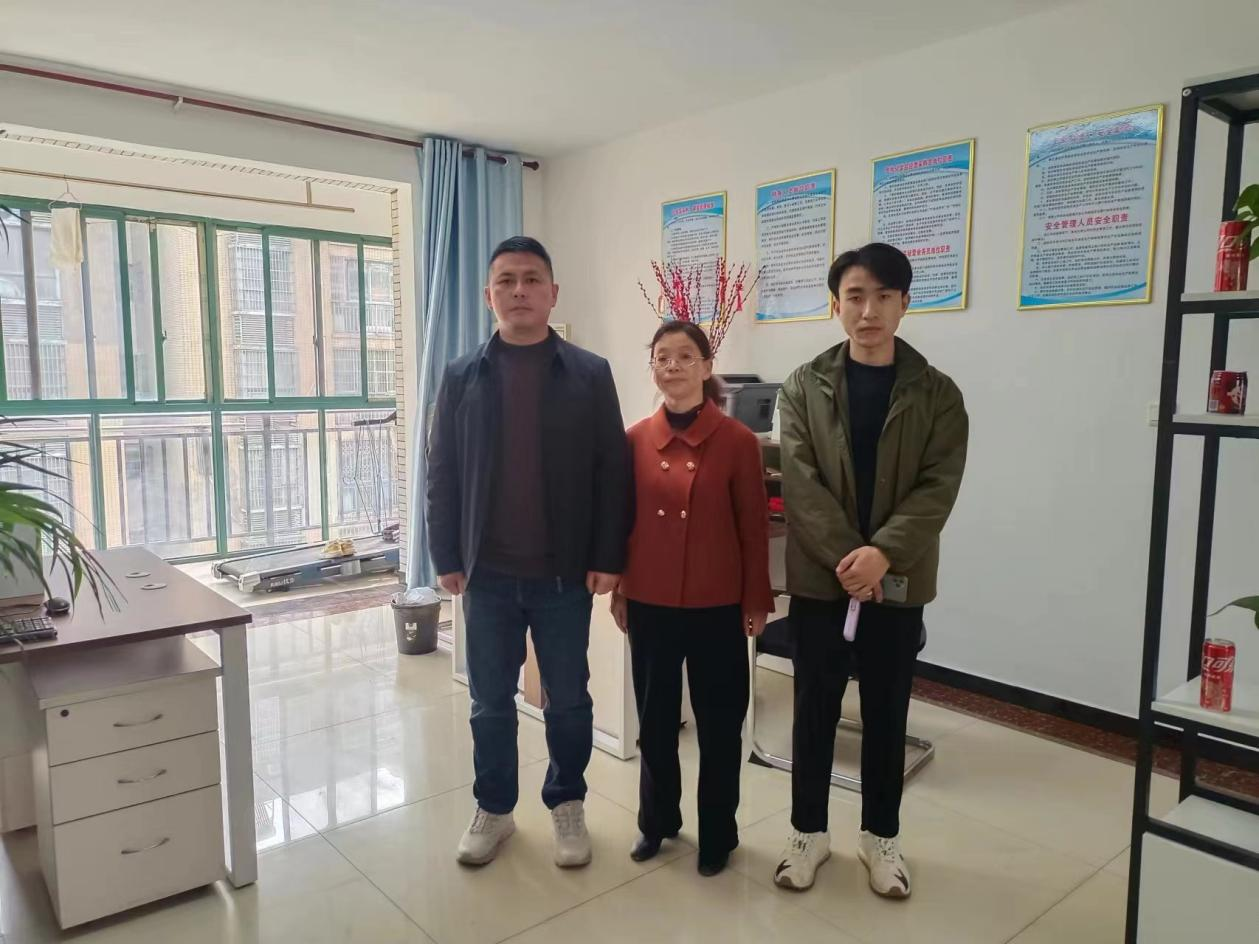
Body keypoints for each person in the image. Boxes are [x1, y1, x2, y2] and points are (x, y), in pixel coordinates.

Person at [426, 236, 631, 869]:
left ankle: (567, 802)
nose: (520, 290)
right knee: (489, 701)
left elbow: (612, 471)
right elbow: (443, 471)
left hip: (563, 575)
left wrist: (608, 555)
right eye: (507, 280)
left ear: (553, 293)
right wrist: (445, 554)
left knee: (568, 700)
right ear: (488, 295)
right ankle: (494, 808)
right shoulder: (461, 375)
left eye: (532, 279)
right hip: (487, 573)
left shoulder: (589, 373)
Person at [772, 242, 968, 899]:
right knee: (814, 709)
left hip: (897, 581)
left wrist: (882, 554)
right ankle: (807, 833)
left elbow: (938, 486)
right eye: (855, 296)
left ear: (905, 304)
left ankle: (880, 837)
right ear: (836, 305)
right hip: (819, 580)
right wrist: (847, 560)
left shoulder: (937, 394)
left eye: (883, 296)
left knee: (886, 713)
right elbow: (799, 483)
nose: (868, 311)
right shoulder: (803, 386)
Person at [610, 320, 773, 877]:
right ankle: (656, 822)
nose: (673, 366)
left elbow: (753, 529)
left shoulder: (738, 442)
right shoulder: (634, 439)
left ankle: (718, 834)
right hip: (650, 601)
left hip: (717, 604)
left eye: (685, 356)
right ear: (652, 368)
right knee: (655, 722)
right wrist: (621, 589)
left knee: (720, 725)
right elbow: (623, 523)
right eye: (662, 357)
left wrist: (756, 599)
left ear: (706, 367)